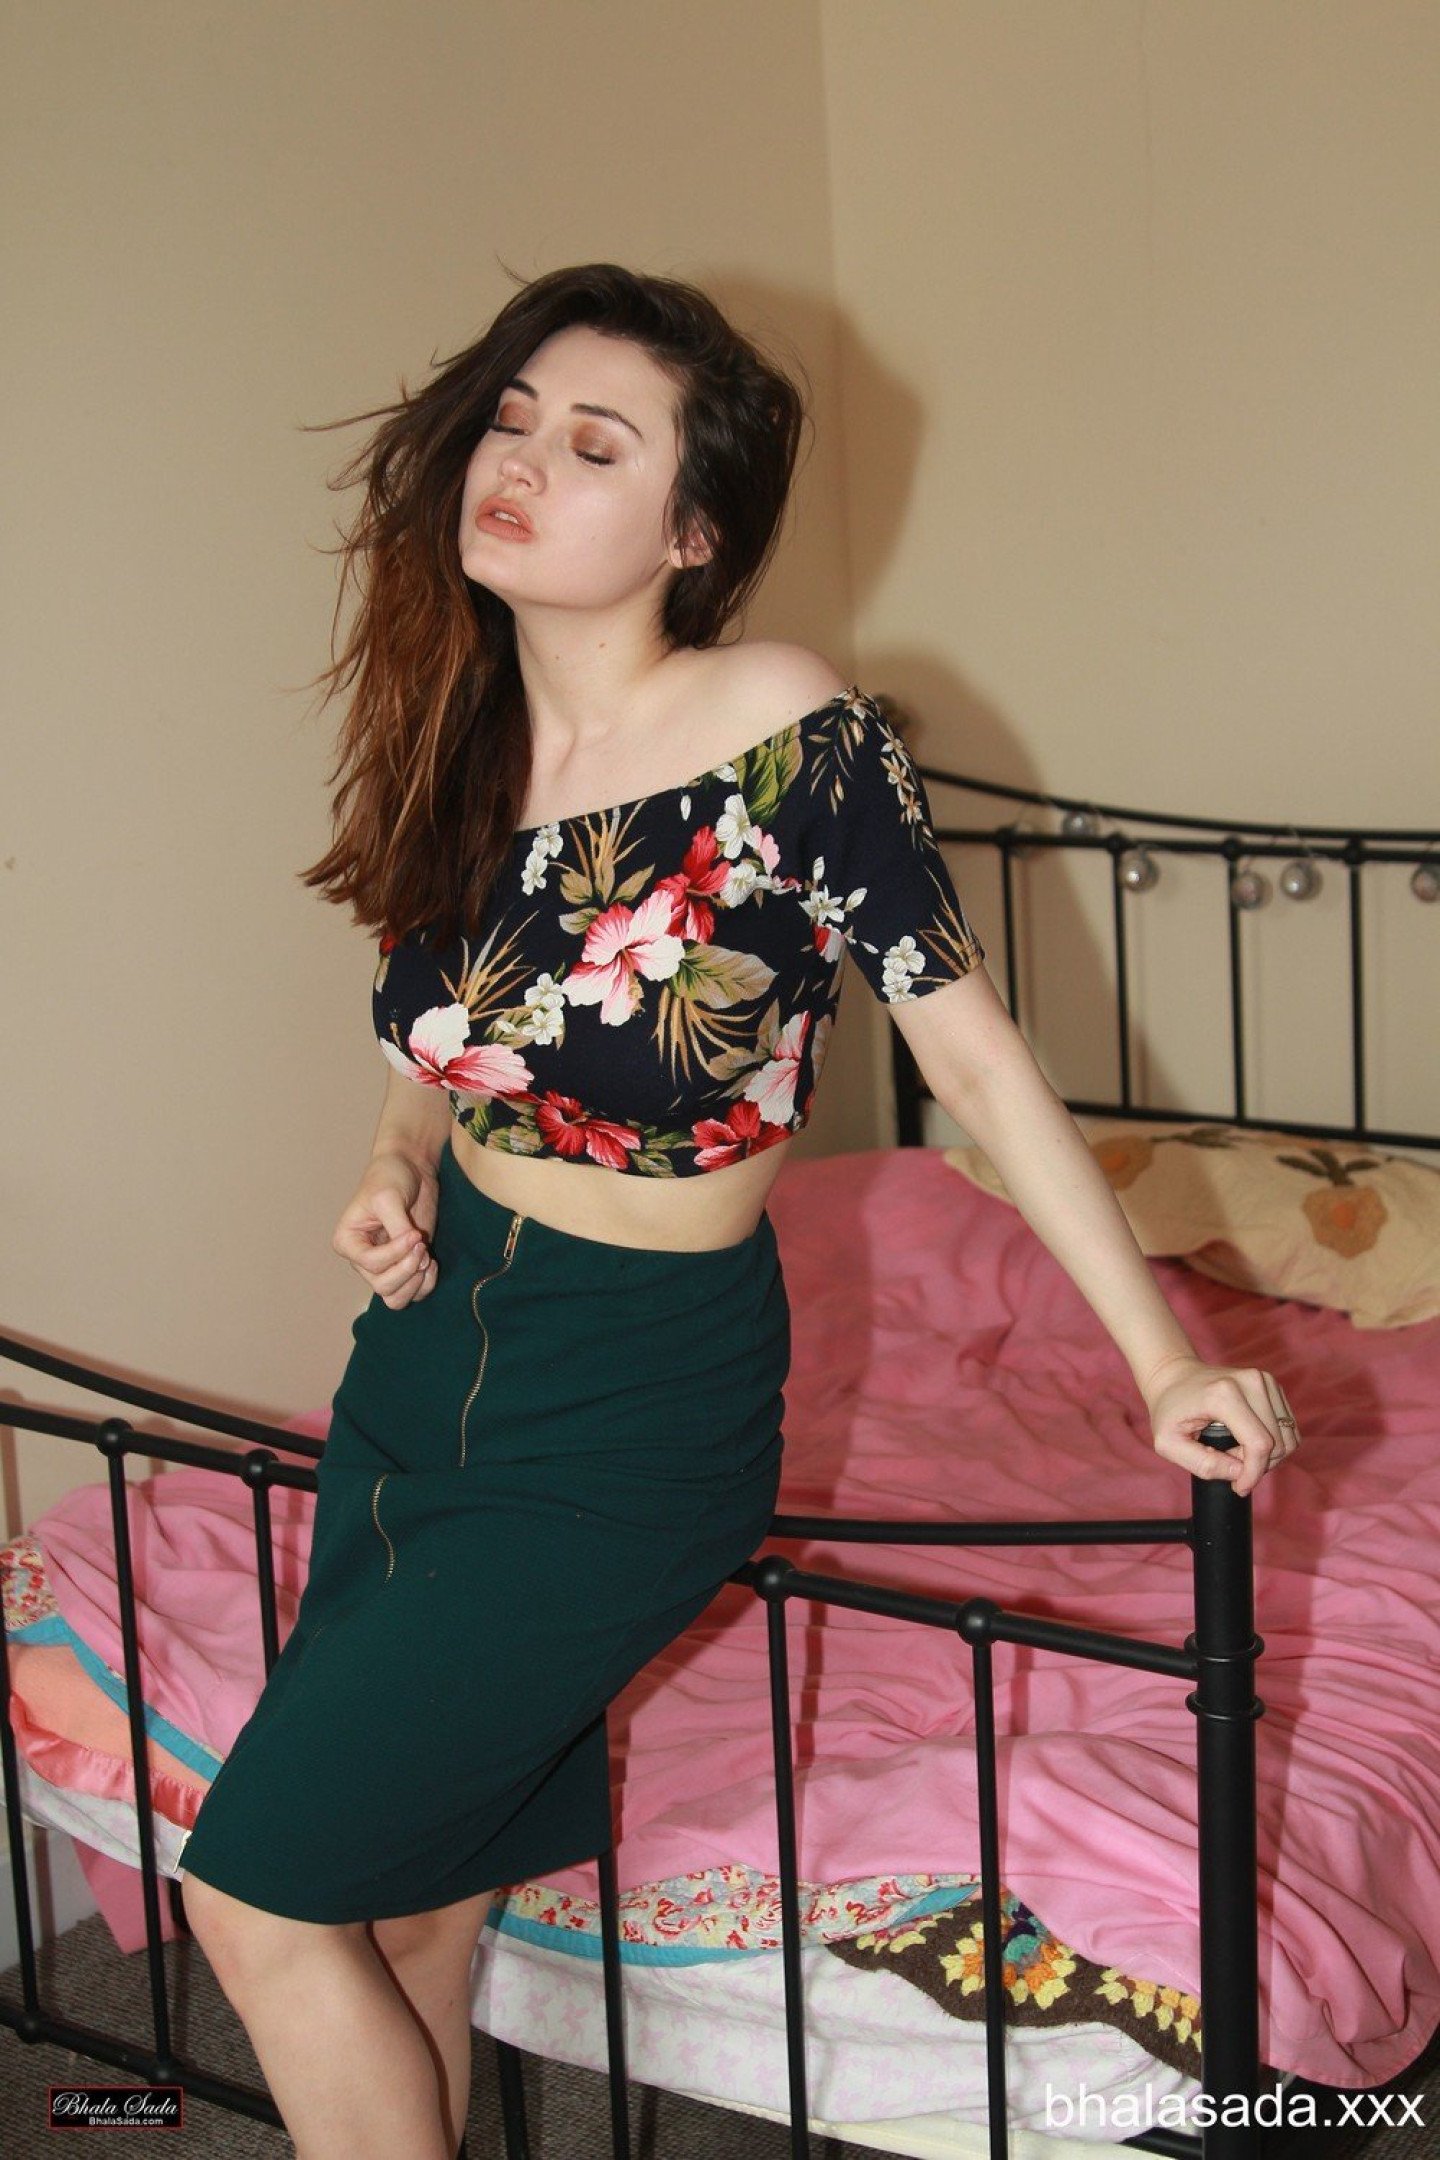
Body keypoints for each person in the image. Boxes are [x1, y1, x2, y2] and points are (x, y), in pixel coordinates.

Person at [173, 263, 1300, 2160]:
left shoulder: (785, 726)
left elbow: (975, 1062)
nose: (523, 461)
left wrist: (1164, 1358)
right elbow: (441, 1035)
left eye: (595, 444)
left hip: (630, 1405)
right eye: (512, 419)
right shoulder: (464, 736)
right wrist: (393, 1161)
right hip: (424, 1357)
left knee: (257, 1899)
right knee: (412, 1902)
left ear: (692, 534)